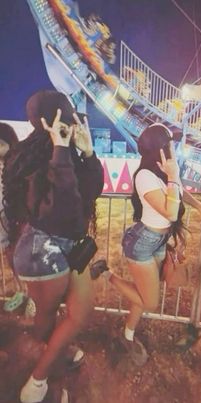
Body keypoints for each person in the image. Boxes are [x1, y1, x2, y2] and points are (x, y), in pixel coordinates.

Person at [91, 123, 201, 366]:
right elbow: (170, 212)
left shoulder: (164, 172)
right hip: (142, 243)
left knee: (145, 291)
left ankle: (127, 334)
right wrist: (173, 177)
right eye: (169, 143)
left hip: (158, 240)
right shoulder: (145, 176)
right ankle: (106, 272)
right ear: (158, 149)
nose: (173, 147)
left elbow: (181, 192)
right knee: (150, 301)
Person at [2, 90, 104, 403]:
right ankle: (37, 384)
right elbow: (61, 212)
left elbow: (90, 193)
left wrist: (87, 155)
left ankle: (52, 353)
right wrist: (60, 151)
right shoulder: (36, 156)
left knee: (72, 312)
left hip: (62, 246)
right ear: (52, 118)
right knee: (55, 314)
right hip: (40, 250)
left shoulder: (68, 148)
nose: (74, 116)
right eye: (67, 111)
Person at [0, 122, 27, 311]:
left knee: (21, 258)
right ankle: (21, 290)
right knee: (10, 257)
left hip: (16, 220)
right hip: (3, 222)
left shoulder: (18, 165)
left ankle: (30, 295)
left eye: (1, 143)